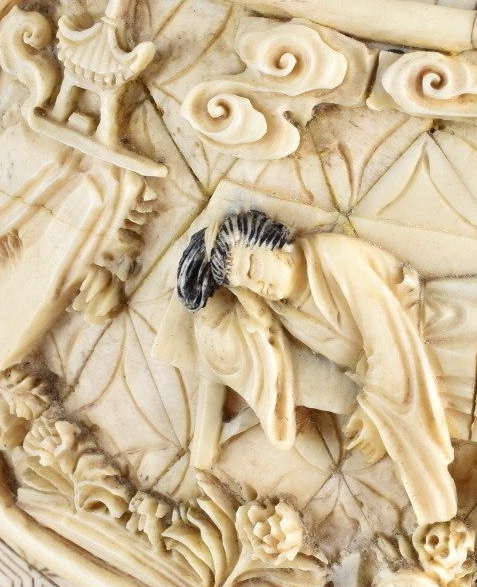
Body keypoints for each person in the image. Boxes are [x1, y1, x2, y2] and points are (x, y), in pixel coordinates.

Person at [177, 210, 458, 527]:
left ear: (270, 243)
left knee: (414, 453)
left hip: (431, 347)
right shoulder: (282, 306)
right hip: (380, 375)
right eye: (247, 286)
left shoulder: (334, 259)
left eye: (253, 267)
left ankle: (440, 520)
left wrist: (374, 415)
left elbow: (392, 345)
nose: (259, 286)